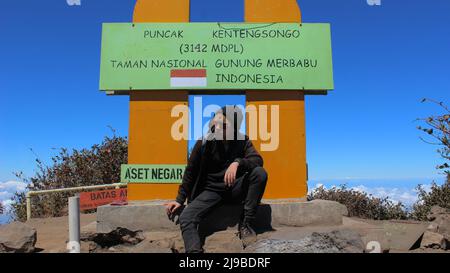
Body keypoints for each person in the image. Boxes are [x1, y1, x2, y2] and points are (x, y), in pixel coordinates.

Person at [165, 105, 268, 253]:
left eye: (224, 125)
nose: (218, 128)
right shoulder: (204, 143)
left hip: (234, 189)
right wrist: (179, 199)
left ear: (234, 127)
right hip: (211, 192)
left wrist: (238, 162)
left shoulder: (242, 141)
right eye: (216, 123)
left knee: (259, 173)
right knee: (186, 217)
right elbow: (190, 172)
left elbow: (257, 159)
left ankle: (246, 224)